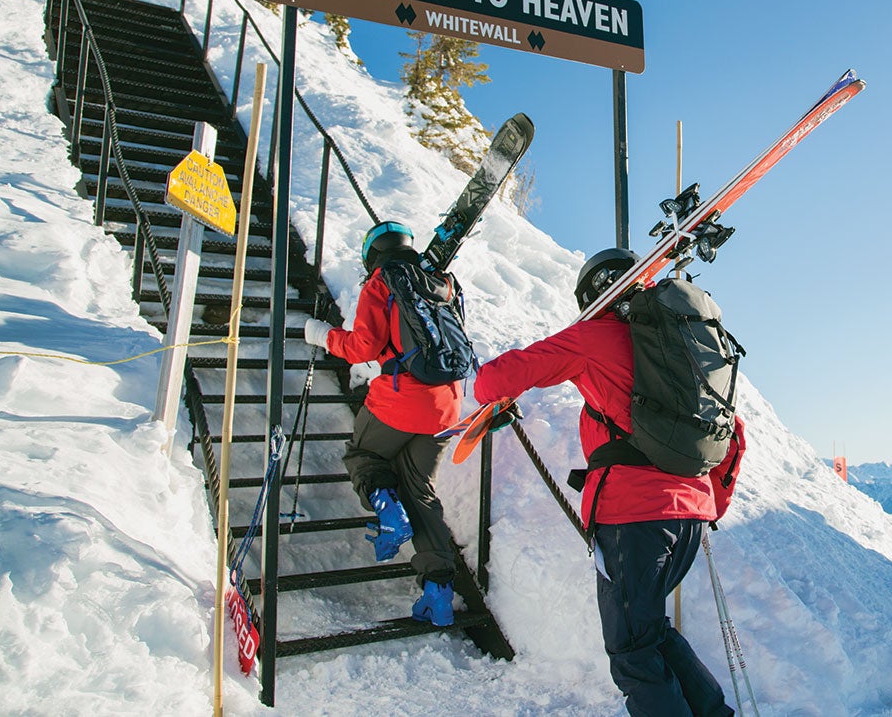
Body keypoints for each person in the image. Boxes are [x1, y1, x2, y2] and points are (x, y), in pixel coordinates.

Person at [473, 248, 746, 717]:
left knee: (632, 651)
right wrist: (709, 502)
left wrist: (487, 395)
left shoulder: (594, 337)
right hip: (689, 516)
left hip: (633, 517)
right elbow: (732, 432)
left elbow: (497, 378)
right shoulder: (684, 345)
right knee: (650, 634)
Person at [303, 221, 462, 626]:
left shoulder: (381, 283)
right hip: (446, 405)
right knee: (420, 492)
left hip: (401, 399)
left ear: (372, 254)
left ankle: (390, 516)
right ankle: (439, 594)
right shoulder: (440, 282)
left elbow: (363, 347)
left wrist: (323, 335)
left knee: (363, 456)